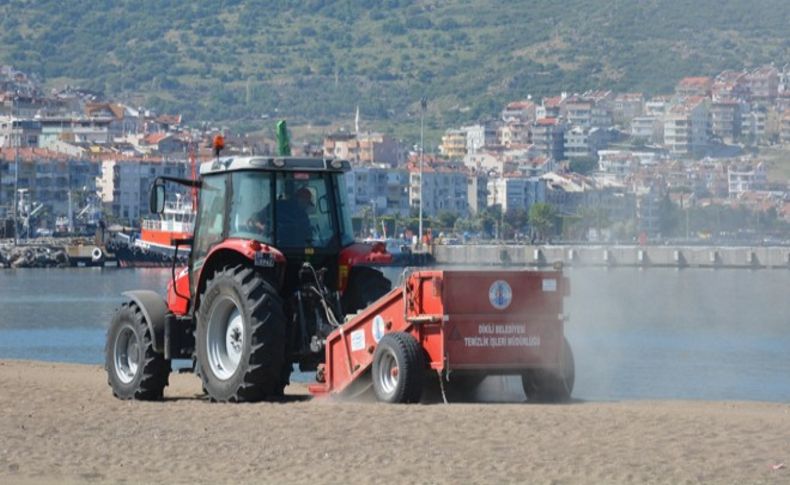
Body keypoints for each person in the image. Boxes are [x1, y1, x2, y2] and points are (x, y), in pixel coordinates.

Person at [248, 186, 314, 245]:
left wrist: (261, 226)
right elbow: (254, 219)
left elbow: (255, 218)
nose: (306, 206)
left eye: (307, 203)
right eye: (305, 202)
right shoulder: (277, 206)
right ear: (298, 199)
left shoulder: (303, 216)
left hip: (289, 250)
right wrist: (263, 227)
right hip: (277, 248)